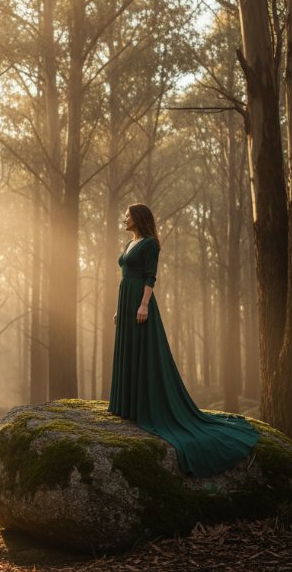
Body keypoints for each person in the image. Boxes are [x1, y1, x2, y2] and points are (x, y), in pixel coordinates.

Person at [108, 203, 259, 477]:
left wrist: (143, 305)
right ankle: (127, 404)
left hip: (139, 303)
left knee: (144, 353)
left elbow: (150, 277)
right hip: (125, 300)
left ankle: (147, 404)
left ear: (139, 218)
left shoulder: (151, 244)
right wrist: (121, 307)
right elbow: (125, 276)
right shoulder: (131, 243)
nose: (124, 218)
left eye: (127, 215)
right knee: (128, 351)